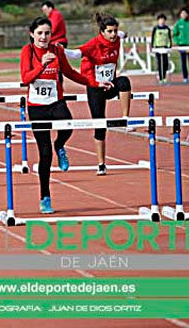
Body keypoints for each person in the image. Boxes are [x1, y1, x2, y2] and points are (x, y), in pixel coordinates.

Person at [20, 17, 89, 214]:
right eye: (40, 33)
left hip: (56, 101)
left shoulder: (57, 50)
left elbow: (69, 72)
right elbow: (25, 78)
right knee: (44, 154)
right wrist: (41, 65)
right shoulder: (28, 51)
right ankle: (45, 197)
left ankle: (60, 145)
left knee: (68, 126)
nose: (44, 37)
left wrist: (93, 83)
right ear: (32, 34)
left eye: (47, 33)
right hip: (37, 107)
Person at [73, 13, 132, 176]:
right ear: (102, 32)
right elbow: (76, 54)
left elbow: (122, 34)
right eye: (110, 32)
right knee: (100, 125)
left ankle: (125, 119)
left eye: (115, 31)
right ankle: (101, 164)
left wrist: (122, 33)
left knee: (125, 82)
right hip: (95, 87)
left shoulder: (117, 38)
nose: (113, 34)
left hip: (111, 84)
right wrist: (59, 50)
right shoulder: (94, 44)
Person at [173, 8, 189, 83]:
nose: (184, 15)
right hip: (182, 45)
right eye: (182, 14)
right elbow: (175, 34)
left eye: (185, 13)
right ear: (180, 15)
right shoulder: (178, 23)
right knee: (183, 62)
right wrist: (178, 42)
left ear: (187, 14)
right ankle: (185, 77)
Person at [150, 14, 172, 83]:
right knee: (159, 63)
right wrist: (153, 46)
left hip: (165, 47)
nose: (162, 21)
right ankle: (160, 77)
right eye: (160, 20)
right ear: (158, 21)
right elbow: (153, 38)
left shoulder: (167, 28)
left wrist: (169, 45)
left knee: (165, 63)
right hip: (158, 48)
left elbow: (169, 38)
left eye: (163, 20)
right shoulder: (155, 28)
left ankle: (164, 77)